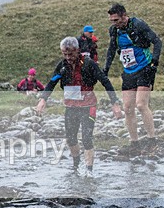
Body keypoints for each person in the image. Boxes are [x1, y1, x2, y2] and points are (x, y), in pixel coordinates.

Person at [36, 37, 123, 175]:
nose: (68, 57)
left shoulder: (89, 63)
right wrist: (43, 99)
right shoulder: (62, 65)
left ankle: (89, 171)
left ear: (77, 50)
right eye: (65, 54)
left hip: (88, 106)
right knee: (71, 138)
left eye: (70, 54)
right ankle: (76, 166)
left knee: (87, 138)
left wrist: (115, 103)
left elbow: (105, 81)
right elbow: (52, 82)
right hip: (71, 107)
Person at [103, 3, 162, 156]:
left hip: (144, 68)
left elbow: (157, 41)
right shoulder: (114, 31)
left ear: (124, 16)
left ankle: (152, 140)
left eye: (116, 20)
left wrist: (155, 62)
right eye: (112, 21)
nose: (114, 23)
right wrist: (106, 69)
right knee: (128, 108)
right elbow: (111, 49)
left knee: (141, 105)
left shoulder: (138, 24)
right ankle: (134, 143)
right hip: (129, 71)